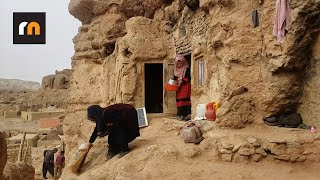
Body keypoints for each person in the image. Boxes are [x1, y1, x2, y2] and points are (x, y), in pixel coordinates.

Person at [173, 54, 191, 121]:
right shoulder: (175, 70)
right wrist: (172, 83)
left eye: (180, 62)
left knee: (185, 101)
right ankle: (180, 115)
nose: (179, 64)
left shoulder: (186, 69)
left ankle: (187, 115)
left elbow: (189, 78)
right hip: (178, 88)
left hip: (185, 87)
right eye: (177, 63)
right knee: (179, 102)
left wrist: (182, 81)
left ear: (183, 62)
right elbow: (174, 78)